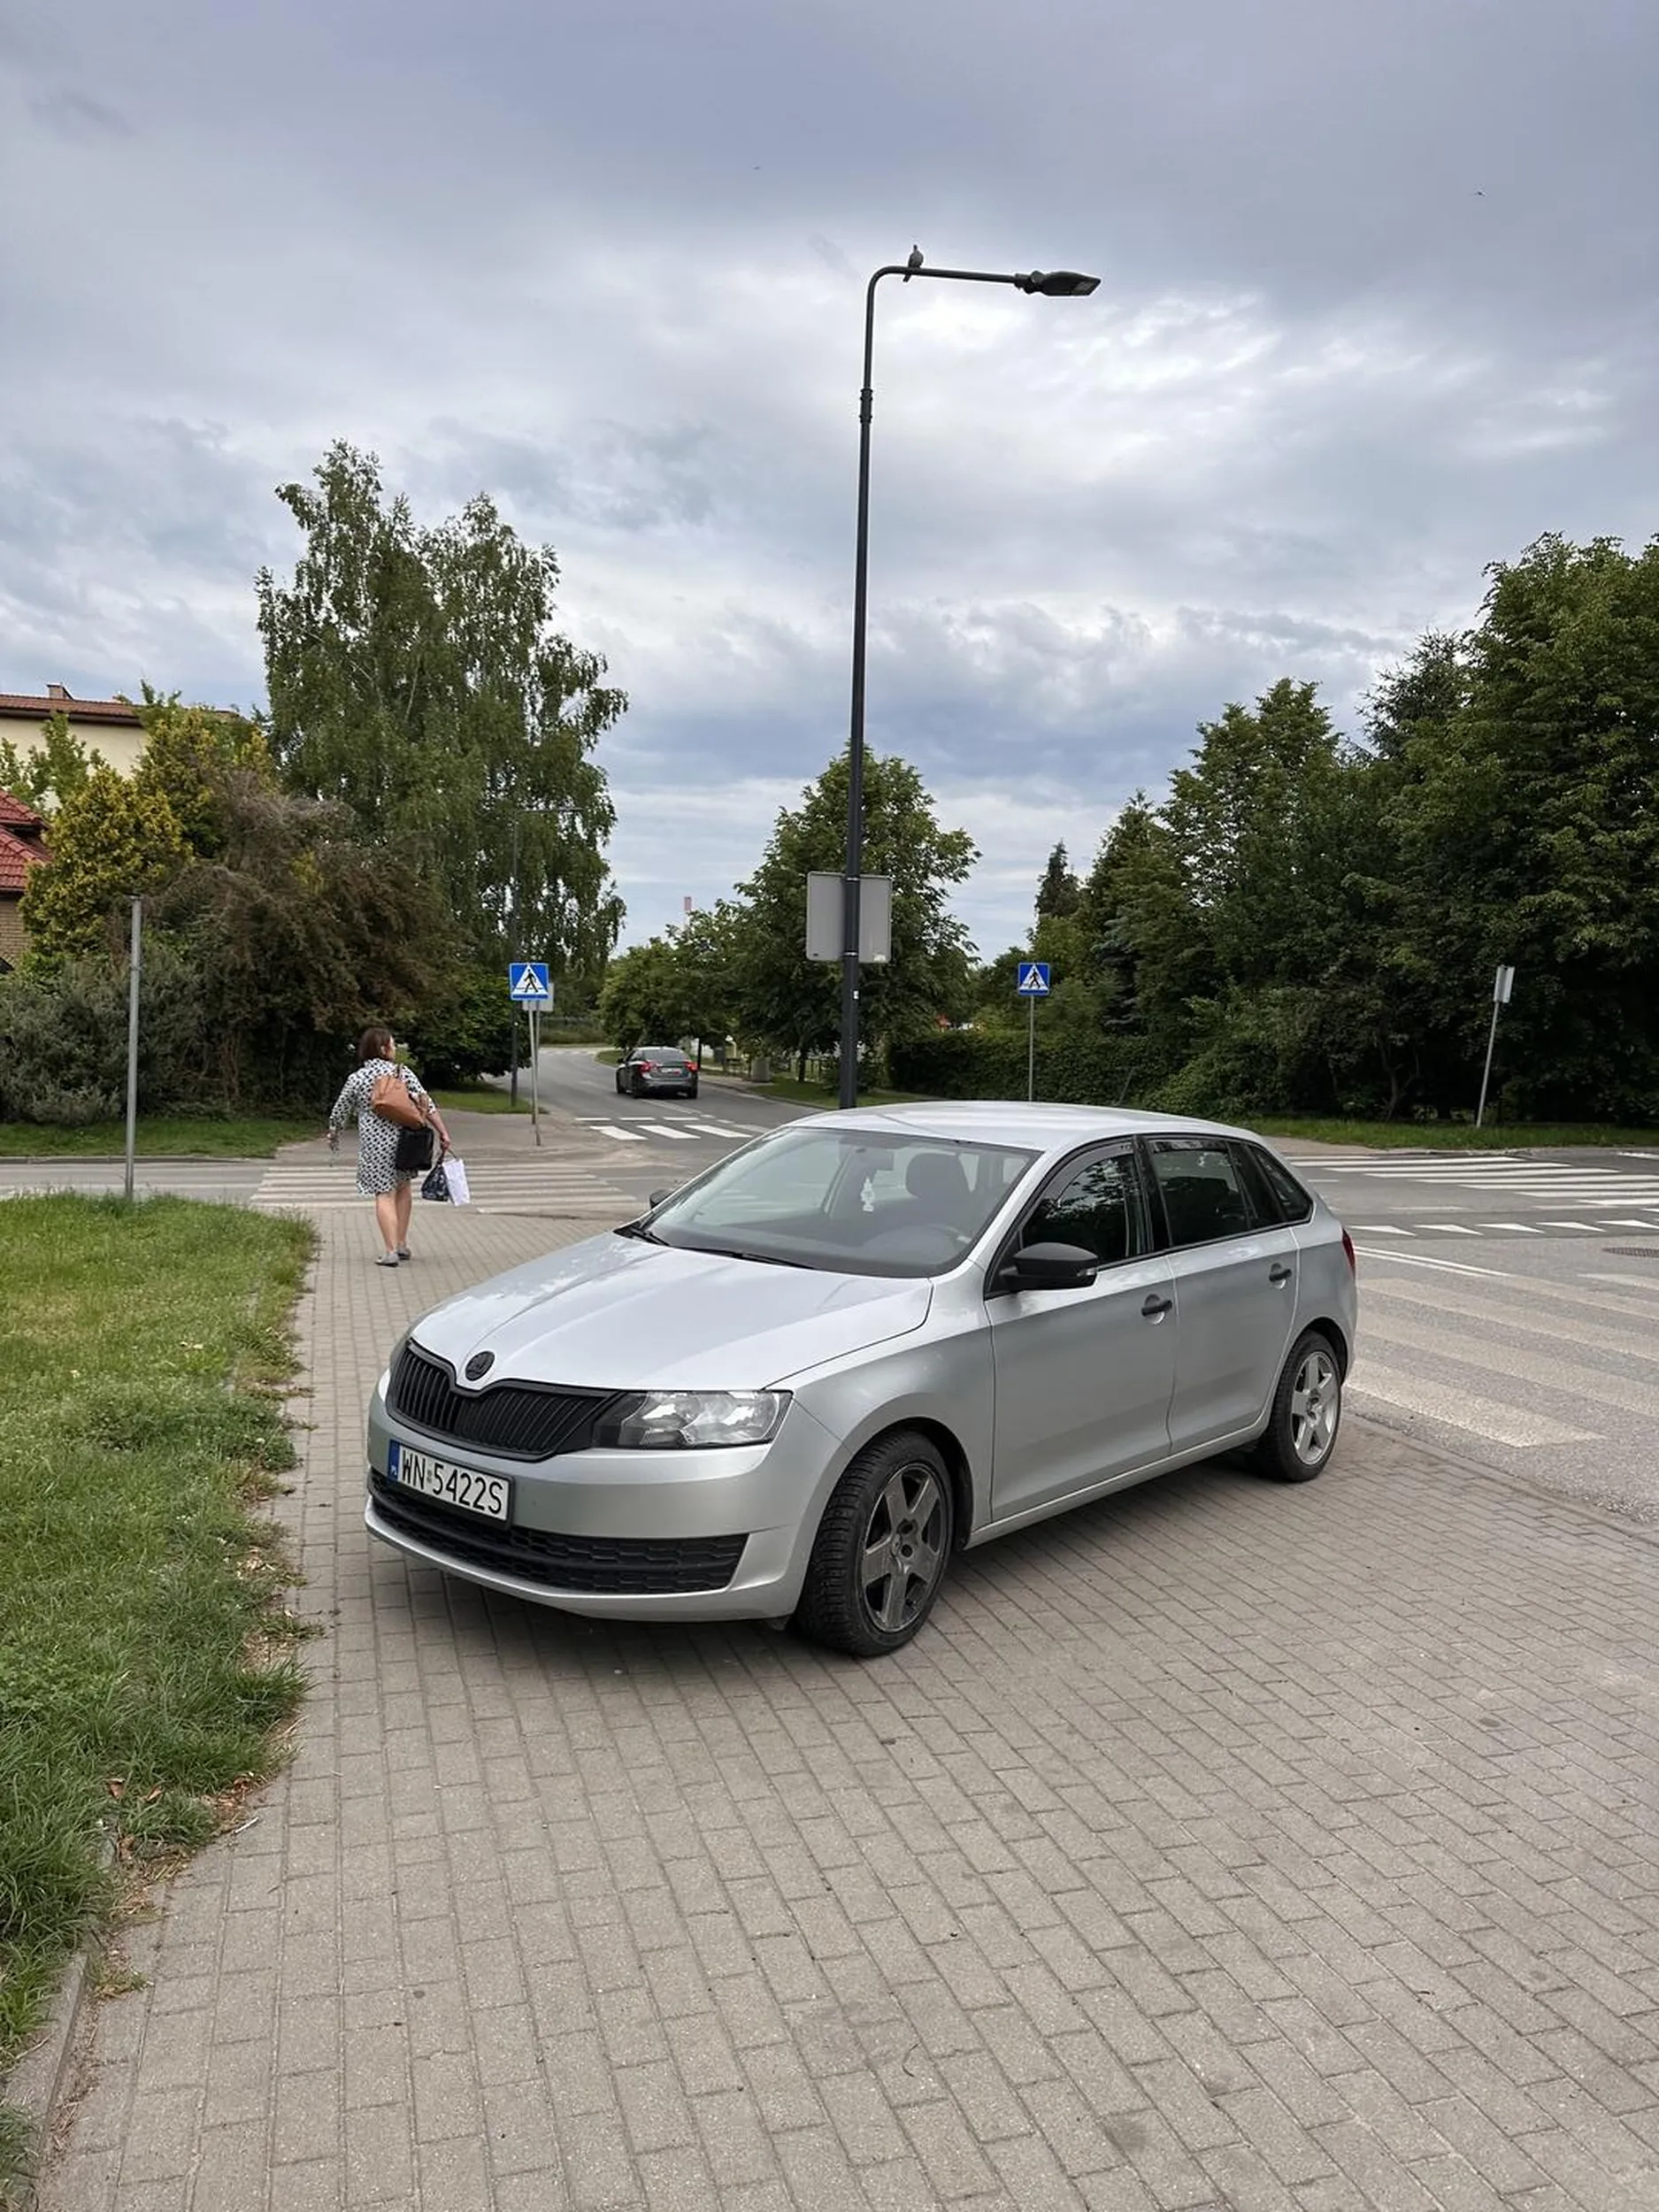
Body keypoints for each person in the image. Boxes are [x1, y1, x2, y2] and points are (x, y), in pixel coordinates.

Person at [326, 1026, 451, 1267]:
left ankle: (390, 1250)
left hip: (375, 1147)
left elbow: (340, 1110)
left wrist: (334, 1134)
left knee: (384, 1194)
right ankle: (402, 1244)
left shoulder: (357, 1078)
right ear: (383, 1049)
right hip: (406, 1142)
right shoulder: (402, 1073)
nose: (394, 1049)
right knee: (403, 1189)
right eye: (393, 1045)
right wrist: (443, 1132)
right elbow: (427, 1103)